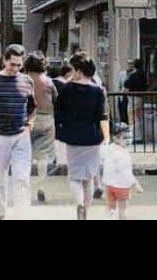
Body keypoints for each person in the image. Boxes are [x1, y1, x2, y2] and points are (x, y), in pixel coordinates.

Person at [0, 44, 36, 220]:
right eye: (12, 64)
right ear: (4, 60)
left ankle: (21, 214)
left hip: (21, 136)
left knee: (22, 179)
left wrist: (29, 124)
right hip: (0, 136)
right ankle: (0, 213)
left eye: (19, 65)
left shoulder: (27, 81)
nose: (15, 68)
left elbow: (33, 106)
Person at [55, 53, 110, 220]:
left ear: (78, 71)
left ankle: (79, 204)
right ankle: (86, 209)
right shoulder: (98, 91)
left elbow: (58, 113)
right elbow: (102, 116)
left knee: (74, 177)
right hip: (93, 138)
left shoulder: (66, 89)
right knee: (89, 178)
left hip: (73, 137)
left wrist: (60, 131)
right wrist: (106, 137)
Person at [24, 51, 58, 204]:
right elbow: (56, 99)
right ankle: (41, 186)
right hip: (46, 118)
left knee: (26, 155)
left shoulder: (24, 79)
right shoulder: (48, 81)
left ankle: (25, 187)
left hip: (26, 119)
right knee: (43, 156)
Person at [102, 122, 143, 220]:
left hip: (109, 185)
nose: (128, 140)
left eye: (129, 137)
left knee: (110, 208)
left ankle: (108, 216)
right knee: (123, 209)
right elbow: (127, 172)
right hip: (122, 186)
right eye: (125, 138)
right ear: (115, 138)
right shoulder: (123, 154)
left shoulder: (109, 149)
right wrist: (136, 184)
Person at [124, 59, 147, 143]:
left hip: (133, 97)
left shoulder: (132, 74)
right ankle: (139, 136)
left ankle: (135, 137)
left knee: (132, 117)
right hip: (140, 97)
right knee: (138, 117)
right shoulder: (143, 74)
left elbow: (126, 84)